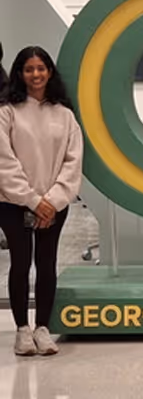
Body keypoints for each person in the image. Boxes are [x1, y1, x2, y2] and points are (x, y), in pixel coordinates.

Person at [0, 46, 83, 356]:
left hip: (53, 206)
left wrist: (53, 200)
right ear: (20, 74)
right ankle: (22, 330)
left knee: (46, 265)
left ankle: (43, 328)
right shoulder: (6, 112)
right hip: (12, 203)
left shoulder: (64, 114)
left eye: (41, 68)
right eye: (29, 69)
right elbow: (4, 163)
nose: (36, 74)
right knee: (20, 264)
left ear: (50, 72)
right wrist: (34, 201)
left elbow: (73, 162)